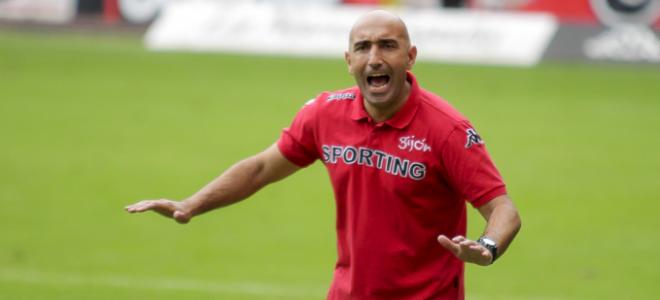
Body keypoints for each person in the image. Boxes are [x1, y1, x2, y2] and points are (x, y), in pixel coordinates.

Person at [126, 10, 521, 300]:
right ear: (348, 61)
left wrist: (486, 248)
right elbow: (262, 168)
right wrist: (192, 204)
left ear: (410, 56)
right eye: (363, 48)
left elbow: (503, 210)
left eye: (388, 46)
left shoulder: (446, 128)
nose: (375, 58)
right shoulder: (325, 114)